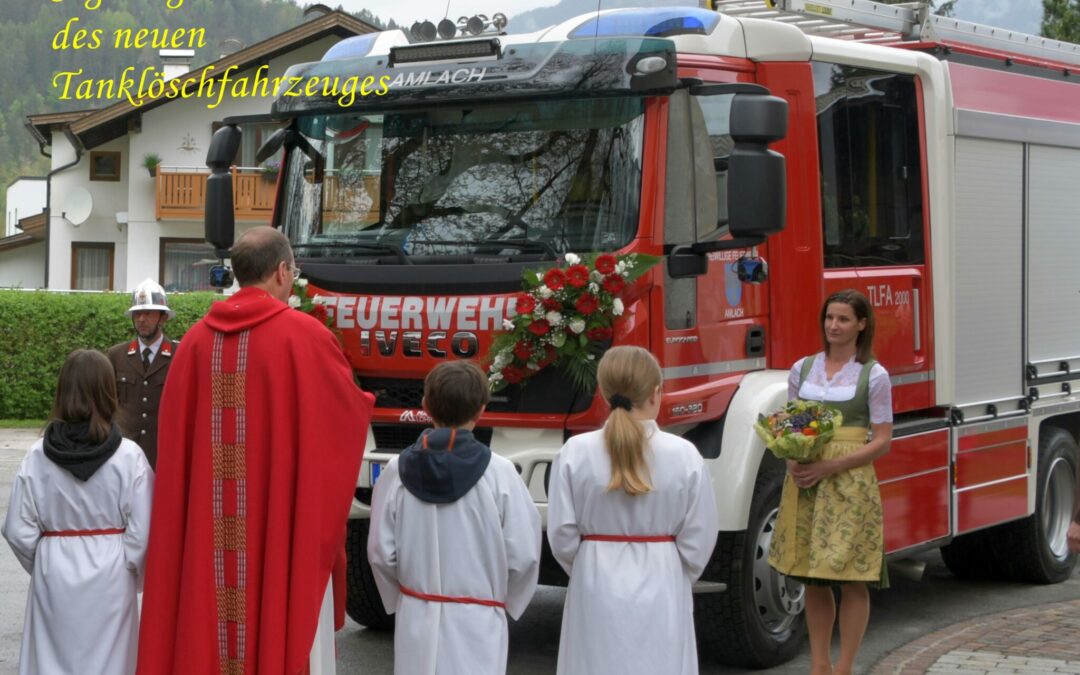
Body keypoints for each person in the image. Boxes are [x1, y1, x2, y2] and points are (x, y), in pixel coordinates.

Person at [136, 226, 374, 675]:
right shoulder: (305, 338)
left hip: (207, 544)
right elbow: (346, 421)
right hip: (274, 537)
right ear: (283, 272)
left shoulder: (191, 346)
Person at [547, 346, 719, 675]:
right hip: (662, 577)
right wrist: (673, 569)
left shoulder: (575, 452)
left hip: (594, 578)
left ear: (603, 392)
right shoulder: (684, 455)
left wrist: (588, 565)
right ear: (656, 393)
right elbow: (700, 534)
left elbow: (562, 534)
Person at [368, 360, 541, 675]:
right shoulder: (500, 473)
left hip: (416, 618)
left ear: (425, 406)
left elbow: (380, 552)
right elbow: (525, 555)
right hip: (478, 622)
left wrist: (406, 599)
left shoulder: (395, 470)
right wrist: (504, 601)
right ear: (481, 410)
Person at [3, 349, 153, 675]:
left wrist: (46, 558)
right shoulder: (129, 457)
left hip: (53, 571)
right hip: (112, 574)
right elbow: (144, 532)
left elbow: (16, 527)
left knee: (51, 660)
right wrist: (129, 571)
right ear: (107, 390)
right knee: (110, 663)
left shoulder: (36, 456)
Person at [767, 289, 893, 675]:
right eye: (829, 318)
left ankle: (845, 666)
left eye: (842, 319)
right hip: (806, 479)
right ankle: (819, 665)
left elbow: (883, 440)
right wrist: (792, 457)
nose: (834, 326)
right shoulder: (802, 369)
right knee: (813, 576)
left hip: (849, 482)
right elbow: (790, 424)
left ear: (861, 324)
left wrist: (830, 467)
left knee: (850, 576)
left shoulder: (874, 374)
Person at [107, 278, 178, 469]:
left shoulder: (178, 355)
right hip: (123, 454)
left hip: (162, 453)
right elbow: (107, 403)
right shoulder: (117, 355)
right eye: (137, 313)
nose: (141, 319)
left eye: (148, 313)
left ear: (163, 317)